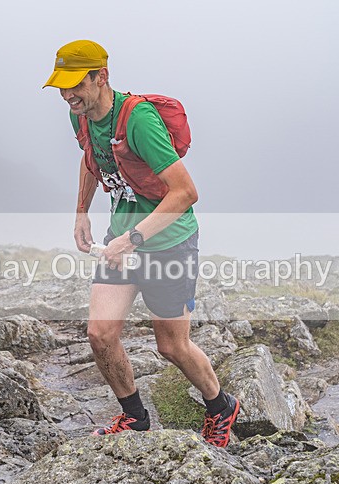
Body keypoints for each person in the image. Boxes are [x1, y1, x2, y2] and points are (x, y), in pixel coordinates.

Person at [43, 40, 240, 447]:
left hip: (169, 243)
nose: (67, 95)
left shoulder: (139, 120)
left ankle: (221, 407)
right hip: (123, 242)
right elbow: (90, 156)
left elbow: (185, 192)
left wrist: (133, 238)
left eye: (75, 84)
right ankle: (134, 417)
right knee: (100, 333)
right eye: (61, 86)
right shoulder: (78, 115)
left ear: (102, 77)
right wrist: (82, 209)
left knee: (171, 346)